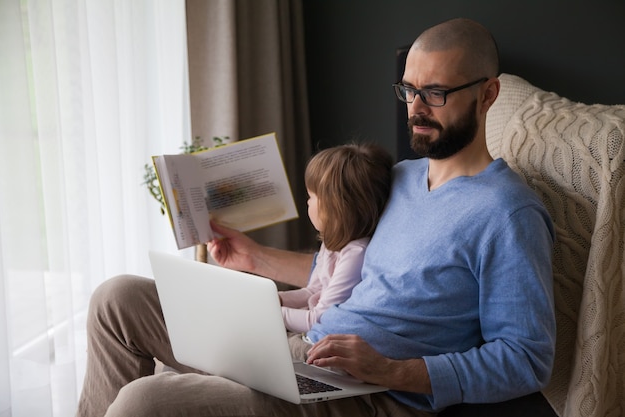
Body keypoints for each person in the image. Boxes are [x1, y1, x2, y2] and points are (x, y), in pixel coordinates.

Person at [77, 17, 556, 417]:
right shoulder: (403, 178)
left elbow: (525, 359)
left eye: (435, 93)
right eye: (408, 90)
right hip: (305, 350)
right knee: (116, 299)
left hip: (371, 394)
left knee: (145, 402)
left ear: (487, 94)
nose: (415, 108)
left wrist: (391, 370)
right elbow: (344, 269)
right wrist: (255, 258)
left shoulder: (507, 214)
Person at [213, 143, 392, 333]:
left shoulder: (356, 254)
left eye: (312, 196)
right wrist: (272, 300)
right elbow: (313, 291)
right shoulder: (333, 245)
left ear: (336, 207)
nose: (307, 201)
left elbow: (318, 320)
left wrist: (267, 313)